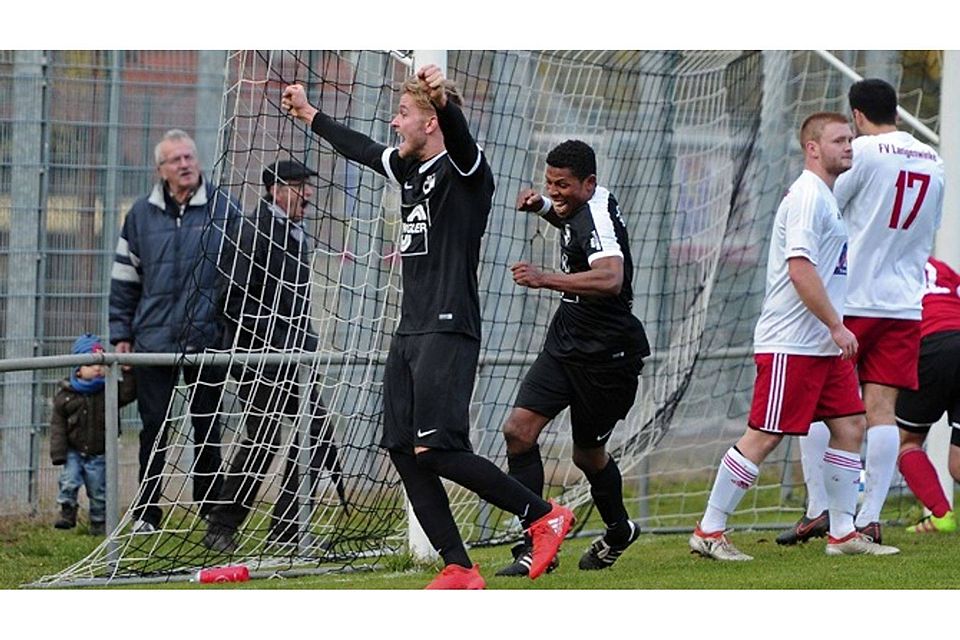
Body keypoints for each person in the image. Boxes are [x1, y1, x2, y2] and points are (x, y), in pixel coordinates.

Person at [281, 64, 573, 589]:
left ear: (432, 121)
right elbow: (366, 151)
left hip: (448, 326)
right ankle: (459, 567)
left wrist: (443, 100)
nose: (396, 123)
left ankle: (541, 514)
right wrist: (309, 115)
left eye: (405, 113)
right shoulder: (410, 169)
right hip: (411, 330)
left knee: (438, 449)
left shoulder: (465, 170)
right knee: (401, 448)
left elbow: (460, 136)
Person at [689, 112, 899, 561]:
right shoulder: (807, 197)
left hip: (821, 347)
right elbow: (799, 270)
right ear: (812, 148)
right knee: (764, 436)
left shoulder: (826, 197)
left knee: (851, 426)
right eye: (840, 140)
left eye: (851, 139)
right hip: (793, 343)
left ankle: (842, 533)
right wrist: (835, 324)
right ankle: (709, 529)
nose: (849, 147)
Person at [779, 79, 944, 546]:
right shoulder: (935, 160)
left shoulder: (865, 152)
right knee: (882, 413)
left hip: (850, 301)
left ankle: (821, 510)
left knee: (818, 409)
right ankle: (868, 517)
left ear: (856, 116)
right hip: (904, 304)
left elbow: (826, 205)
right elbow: (928, 229)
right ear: (896, 109)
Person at [495, 140, 649, 576]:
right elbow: (567, 218)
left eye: (562, 184)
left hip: (607, 356)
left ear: (590, 183)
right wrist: (544, 203)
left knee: (587, 455)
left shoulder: (598, 214)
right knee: (518, 432)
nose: (555, 190)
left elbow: (611, 277)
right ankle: (535, 540)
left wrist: (545, 278)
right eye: (549, 182)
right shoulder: (585, 201)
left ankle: (619, 530)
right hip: (566, 341)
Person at [204, 159, 348, 553]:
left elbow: (295, 304)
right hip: (259, 357)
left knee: (316, 435)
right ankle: (221, 526)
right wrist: (274, 339)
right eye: (300, 185)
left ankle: (287, 528)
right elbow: (228, 300)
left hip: (294, 358)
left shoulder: (297, 233)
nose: (308, 194)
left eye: (309, 186)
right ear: (275, 189)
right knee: (264, 438)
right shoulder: (251, 231)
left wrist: (306, 341)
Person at [109, 129, 240, 534]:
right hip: (153, 340)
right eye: (175, 160)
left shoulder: (225, 209)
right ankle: (146, 511)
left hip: (207, 339)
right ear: (161, 169)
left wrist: (231, 330)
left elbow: (240, 277)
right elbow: (124, 280)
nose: (185, 165)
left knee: (207, 425)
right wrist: (120, 334)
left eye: (189, 157)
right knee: (154, 427)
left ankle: (209, 507)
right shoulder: (140, 215)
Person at [894, 257, 960, 534]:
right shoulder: (939, 267)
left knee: (908, 442)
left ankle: (942, 516)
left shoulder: (880, 263)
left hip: (927, 345)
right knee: (957, 463)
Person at [50, 334, 137, 536]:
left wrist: (129, 373)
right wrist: (58, 453)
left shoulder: (108, 391)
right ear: (78, 369)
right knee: (69, 480)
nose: (97, 368)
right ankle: (67, 511)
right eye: (91, 364)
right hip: (73, 450)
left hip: (99, 451)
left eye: (100, 363)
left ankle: (98, 522)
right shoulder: (66, 395)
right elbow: (57, 427)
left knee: (98, 489)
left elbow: (128, 393)